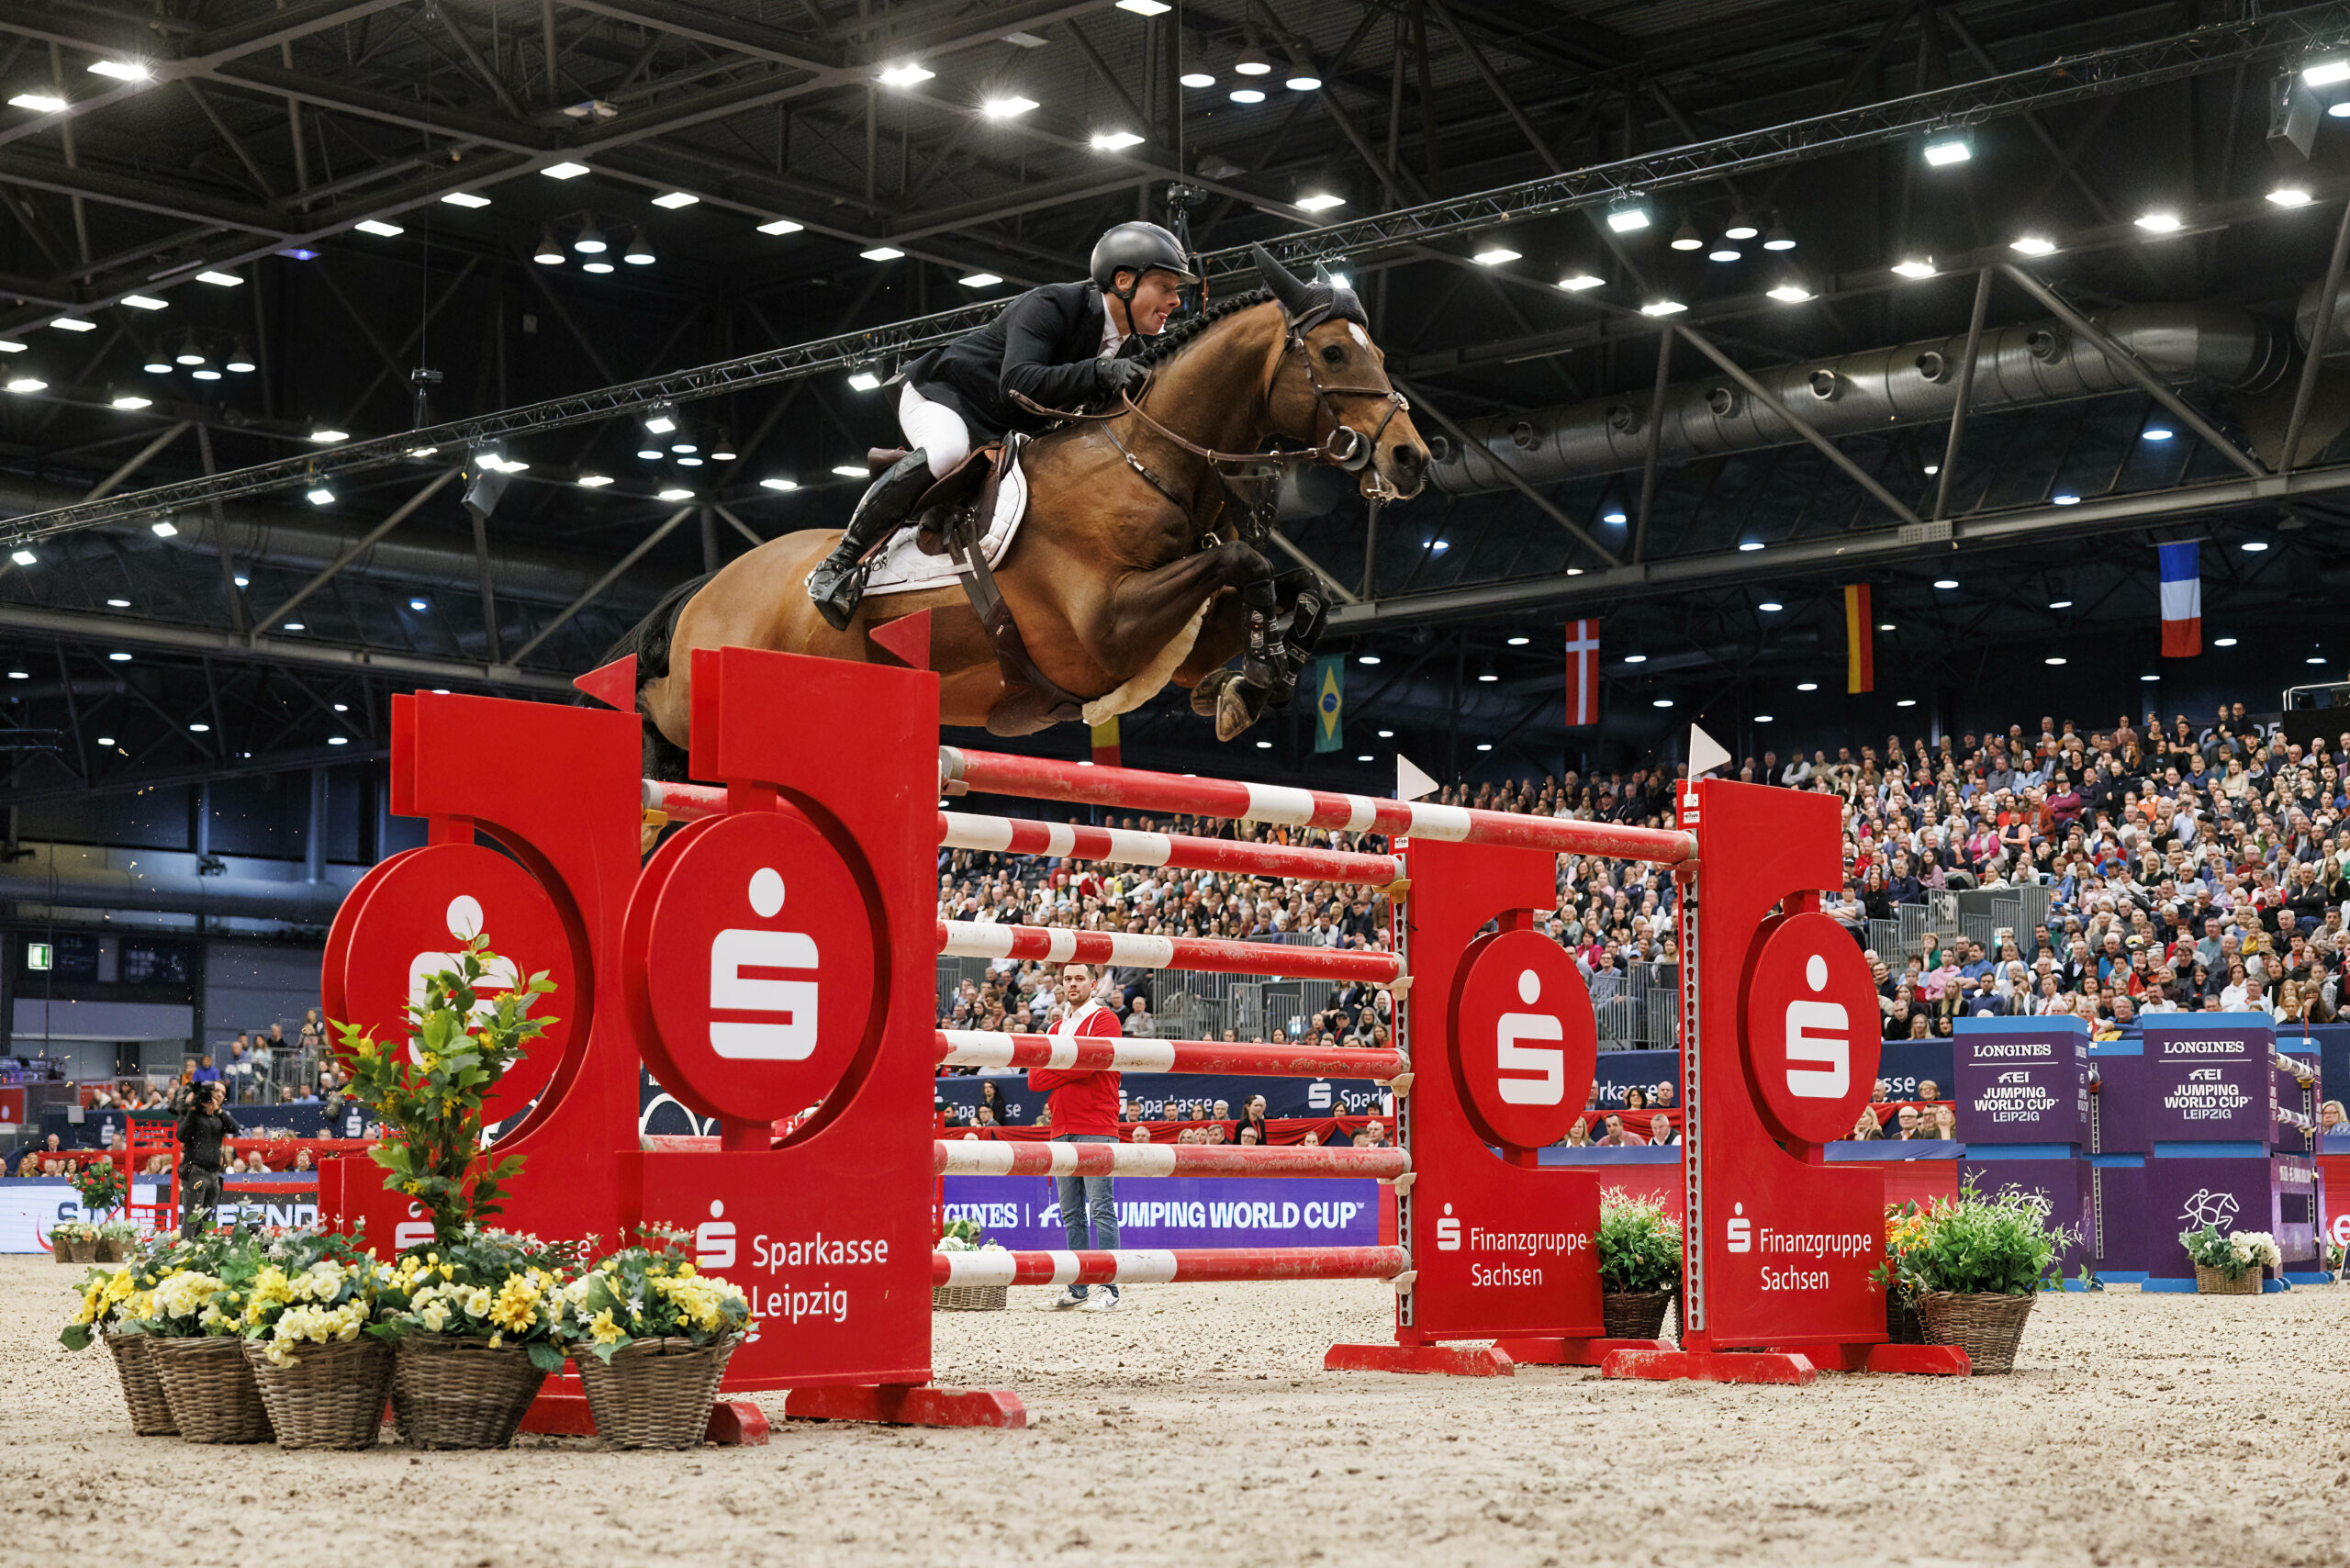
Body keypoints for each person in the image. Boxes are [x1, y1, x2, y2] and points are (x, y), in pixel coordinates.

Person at [805, 220, 1198, 628]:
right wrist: (1098, 371)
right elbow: (1018, 382)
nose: (1175, 301)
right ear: (1124, 280)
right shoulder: (1052, 304)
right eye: (1166, 288)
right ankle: (838, 564)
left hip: (1003, 427)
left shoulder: (1127, 346)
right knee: (947, 451)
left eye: (1176, 292)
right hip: (947, 396)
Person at [1026, 963, 1125, 1311]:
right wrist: (1071, 1070)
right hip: (1061, 1129)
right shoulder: (1055, 1026)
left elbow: (1090, 1065)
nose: (1072, 983)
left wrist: (1063, 1070)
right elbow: (1033, 1081)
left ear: (1093, 983)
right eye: (1067, 978)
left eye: (1079, 978)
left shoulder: (1104, 1019)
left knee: (1100, 1208)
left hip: (1096, 1125)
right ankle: (1079, 1286)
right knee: (1071, 1212)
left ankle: (1108, 1288)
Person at [175, 1080, 238, 1238]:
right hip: (196, 1170)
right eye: (216, 1090)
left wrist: (218, 1111)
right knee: (192, 1217)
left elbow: (235, 1128)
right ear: (208, 1091)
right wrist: (193, 1109)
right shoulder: (193, 1113)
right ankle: (187, 1254)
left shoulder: (220, 1117)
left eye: (223, 1093)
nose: (219, 1095)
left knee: (206, 1219)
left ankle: (201, 1252)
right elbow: (180, 1135)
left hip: (214, 1174)